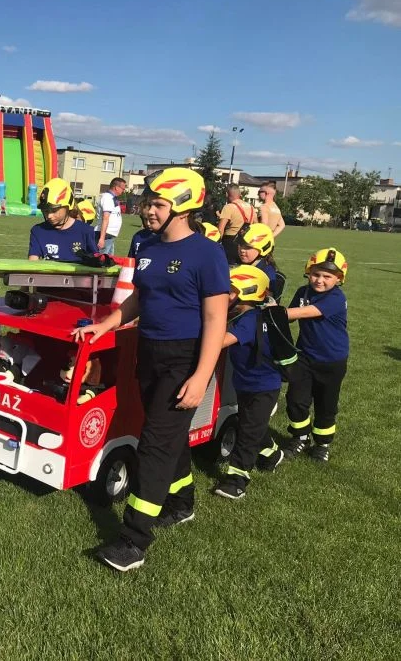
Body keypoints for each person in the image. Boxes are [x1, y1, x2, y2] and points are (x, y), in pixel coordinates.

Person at [73, 168, 229, 571]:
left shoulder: (207, 253)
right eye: (148, 204)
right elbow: (139, 298)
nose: (148, 211)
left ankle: (133, 540)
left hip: (186, 359)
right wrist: (105, 324)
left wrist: (200, 376)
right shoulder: (147, 246)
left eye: (158, 205)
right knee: (165, 434)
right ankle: (182, 501)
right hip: (150, 351)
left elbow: (216, 320)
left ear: (185, 209)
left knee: (155, 443)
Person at [212, 265, 284, 500]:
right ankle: (272, 454)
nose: (226, 295)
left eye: (231, 291)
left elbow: (219, 342)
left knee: (247, 431)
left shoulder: (248, 320)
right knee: (251, 424)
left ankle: (237, 479)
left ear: (248, 293)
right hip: (246, 383)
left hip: (263, 386)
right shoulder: (242, 314)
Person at [282, 248, 349, 463]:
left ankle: (322, 444)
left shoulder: (336, 297)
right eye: (315, 274)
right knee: (295, 399)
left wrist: (275, 312)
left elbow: (304, 313)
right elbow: (289, 318)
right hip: (304, 356)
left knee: (326, 404)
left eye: (327, 276)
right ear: (308, 272)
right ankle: (300, 437)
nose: (320, 280)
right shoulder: (303, 293)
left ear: (339, 279)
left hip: (332, 360)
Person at [27, 178, 97, 261]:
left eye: (54, 210)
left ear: (68, 206)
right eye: (46, 210)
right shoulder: (38, 231)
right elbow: (33, 262)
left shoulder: (86, 231)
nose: (49, 215)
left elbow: (95, 262)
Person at [235, 223, 284, 301]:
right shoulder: (238, 265)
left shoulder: (268, 273)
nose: (242, 250)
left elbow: (268, 301)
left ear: (264, 248)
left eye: (248, 247)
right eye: (240, 245)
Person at [217, 184, 257, 264]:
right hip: (247, 243)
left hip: (230, 242)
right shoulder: (251, 207)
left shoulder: (229, 207)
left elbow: (220, 229)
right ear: (240, 195)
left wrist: (216, 244)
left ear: (227, 194)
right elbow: (256, 226)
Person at [95, 177, 126, 254]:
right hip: (106, 234)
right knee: (102, 259)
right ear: (116, 187)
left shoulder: (112, 198)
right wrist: (102, 238)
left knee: (109, 260)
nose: (123, 190)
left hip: (110, 234)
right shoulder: (107, 197)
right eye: (123, 188)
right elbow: (105, 218)